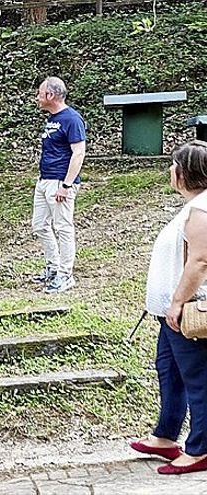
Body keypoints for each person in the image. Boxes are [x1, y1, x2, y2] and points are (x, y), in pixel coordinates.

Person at [132, 141, 207, 475]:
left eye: (173, 164)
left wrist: (177, 303)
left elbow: (200, 261)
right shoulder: (194, 205)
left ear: (183, 172)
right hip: (169, 312)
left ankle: (200, 448)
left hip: (185, 310)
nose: (170, 170)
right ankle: (165, 436)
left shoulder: (202, 209)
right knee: (170, 371)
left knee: (198, 378)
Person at [30, 76, 86, 294]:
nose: (37, 98)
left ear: (50, 95)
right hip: (44, 180)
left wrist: (66, 184)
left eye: (40, 93)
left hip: (60, 182)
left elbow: (78, 152)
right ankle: (53, 267)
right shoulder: (52, 119)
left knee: (63, 227)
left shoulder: (72, 119)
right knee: (40, 225)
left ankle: (65, 275)